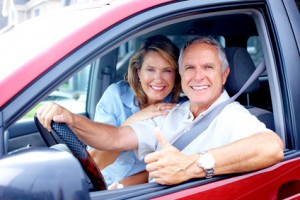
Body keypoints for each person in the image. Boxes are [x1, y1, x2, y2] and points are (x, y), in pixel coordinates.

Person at [36, 36, 283, 187]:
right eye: (189, 67)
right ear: (182, 75)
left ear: (225, 74)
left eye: (208, 67)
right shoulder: (173, 111)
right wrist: (72, 119)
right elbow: (114, 138)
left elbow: (271, 146)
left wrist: (192, 165)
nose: (198, 76)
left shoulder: (233, 116)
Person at [86, 35, 184, 188]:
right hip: (99, 182)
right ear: (138, 72)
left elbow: (172, 165)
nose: (158, 79)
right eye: (150, 69)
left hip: (142, 190)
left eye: (167, 70)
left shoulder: (180, 109)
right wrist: (133, 120)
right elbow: (96, 162)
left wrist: (122, 186)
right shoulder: (115, 96)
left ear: (176, 75)